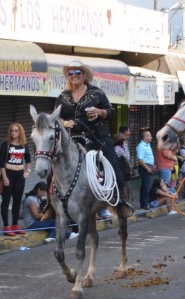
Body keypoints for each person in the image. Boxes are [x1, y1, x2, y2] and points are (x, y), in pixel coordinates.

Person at [54, 59, 134, 218]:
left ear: (84, 75)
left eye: (77, 72)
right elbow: (54, 117)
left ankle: (120, 202)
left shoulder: (96, 93)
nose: (74, 75)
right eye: (70, 73)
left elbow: (110, 111)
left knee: (114, 168)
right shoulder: (63, 96)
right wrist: (64, 122)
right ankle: (51, 204)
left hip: (97, 138)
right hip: (72, 139)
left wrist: (99, 112)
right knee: (53, 166)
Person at [0, 122, 31, 236]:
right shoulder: (6, 144)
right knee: (6, 200)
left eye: (16, 130)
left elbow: (28, 159)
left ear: (20, 132)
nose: (13, 133)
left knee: (17, 200)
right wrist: (4, 177)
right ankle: (6, 225)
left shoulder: (23, 145)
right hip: (8, 174)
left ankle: (15, 224)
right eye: (12, 130)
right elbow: (1, 163)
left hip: (20, 175)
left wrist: (27, 171)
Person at [135, 129, 156, 210]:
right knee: (145, 186)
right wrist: (147, 168)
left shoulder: (147, 145)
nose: (151, 137)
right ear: (145, 137)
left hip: (148, 167)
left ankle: (144, 203)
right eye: (150, 135)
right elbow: (140, 160)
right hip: (144, 168)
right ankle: (144, 204)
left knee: (146, 186)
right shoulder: (141, 146)